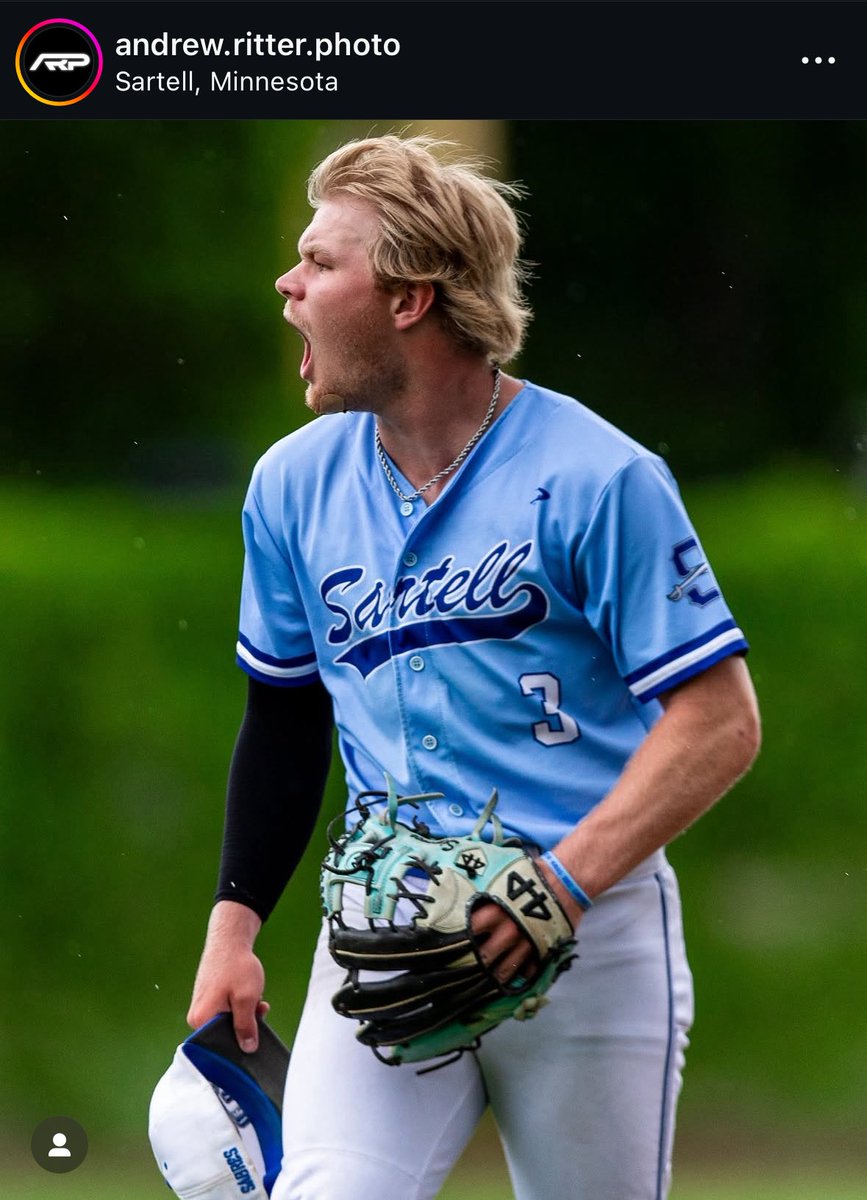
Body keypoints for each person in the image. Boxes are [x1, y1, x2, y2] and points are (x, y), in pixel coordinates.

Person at [188, 133, 761, 1200]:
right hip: (385, 937)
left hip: (589, 940)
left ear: (409, 298)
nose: (287, 283)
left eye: (319, 261)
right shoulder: (292, 485)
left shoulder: (600, 477)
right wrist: (235, 927)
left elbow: (719, 721)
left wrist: (562, 884)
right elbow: (285, 718)